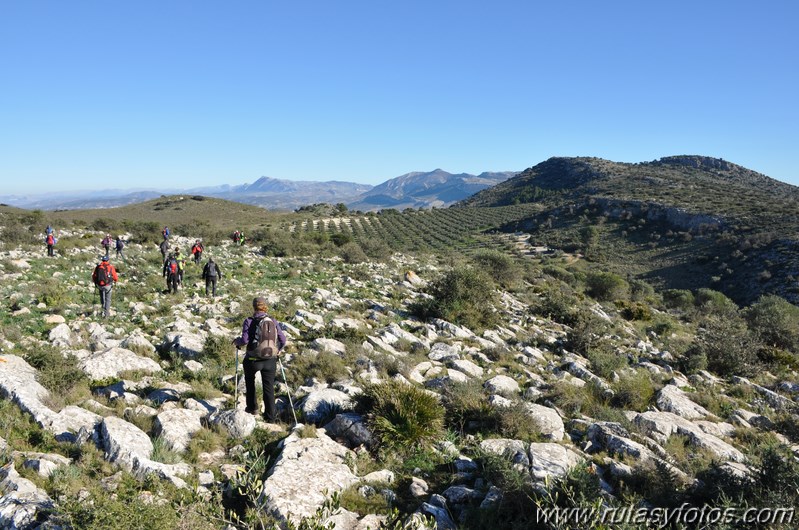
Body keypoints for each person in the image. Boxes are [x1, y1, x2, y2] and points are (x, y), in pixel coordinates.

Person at [232, 297, 287, 422]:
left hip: (252, 359)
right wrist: (279, 350)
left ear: (253, 307)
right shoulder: (272, 320)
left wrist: (236, 342)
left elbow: (245, 341)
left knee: (250, 383)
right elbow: (283, 340)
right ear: (265, 306)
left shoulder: (249, 321)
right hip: (270, 360)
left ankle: (252, 409)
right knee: (268, 388)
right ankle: (270, 418)